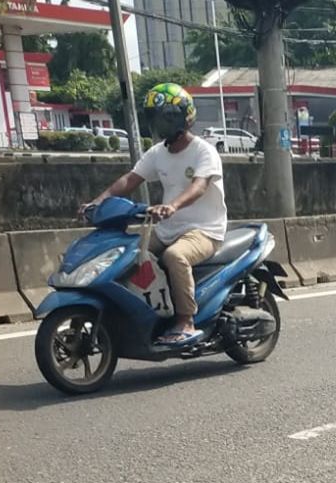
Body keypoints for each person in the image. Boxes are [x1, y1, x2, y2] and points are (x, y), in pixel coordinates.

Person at [81, 83, 227, 345]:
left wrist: (172, 206)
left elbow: (199, 186)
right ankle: (146, 314)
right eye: (156, 117)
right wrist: (98, 202)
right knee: (128, 254)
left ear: (181, 118)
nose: (160, 124)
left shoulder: (204, 151)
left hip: (204, 230)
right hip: (167, 229)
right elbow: (130, 179)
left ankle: (186, 320)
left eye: (165, 117)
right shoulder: (158, 153)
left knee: (175, 256)